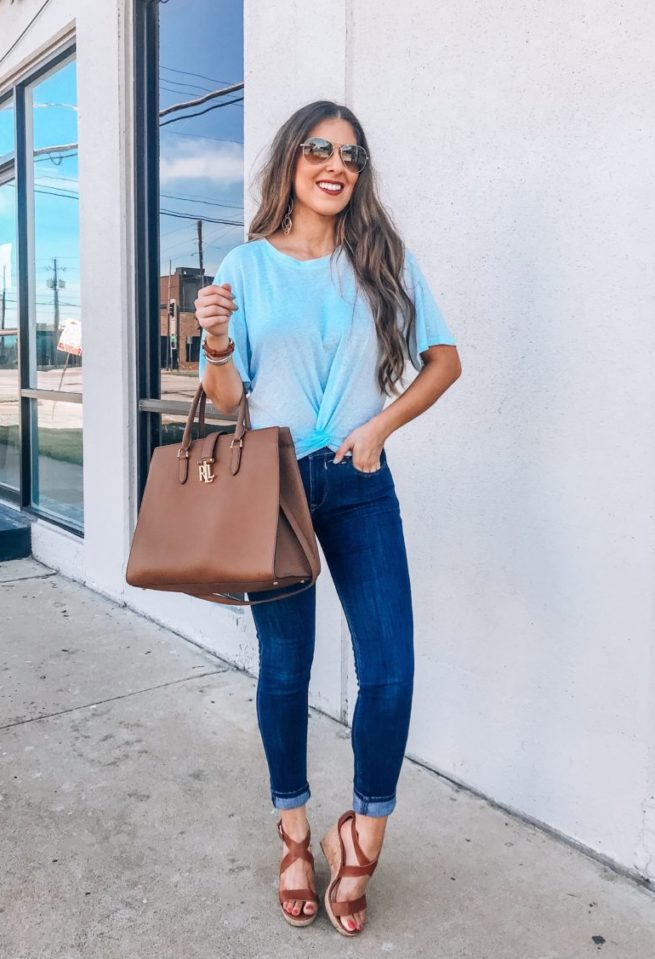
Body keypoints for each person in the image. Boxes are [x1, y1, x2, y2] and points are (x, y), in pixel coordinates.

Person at [194, 100, 462, 937]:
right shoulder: (245, 263)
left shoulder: (380, 259)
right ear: (291, 162)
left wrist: (378, 427)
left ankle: (363, 832)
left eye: (350, 153)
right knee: (286, 670)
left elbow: (444, 360)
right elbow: (228, 401)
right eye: (318, 148)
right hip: (272, 486)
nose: (334, 163)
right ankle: (294, 828)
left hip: (359, 478)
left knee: (389, 669)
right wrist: (213, 347)